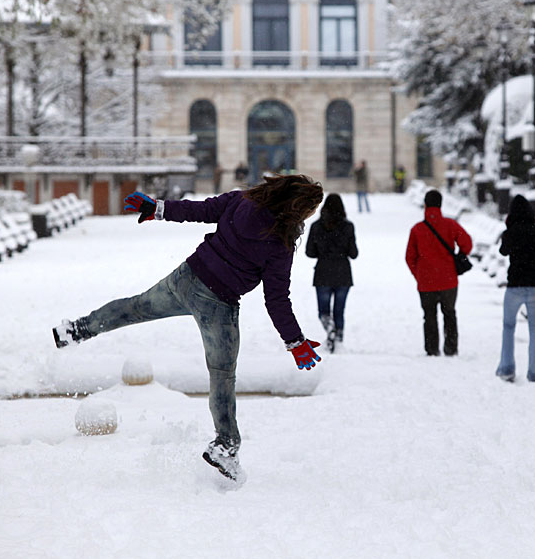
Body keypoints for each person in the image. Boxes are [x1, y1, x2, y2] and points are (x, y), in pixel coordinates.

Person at [51, 174, 325, 487]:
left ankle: (77, 329)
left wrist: (157, 208)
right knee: (222, 375)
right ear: (296, 209)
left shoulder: (240, 200)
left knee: (135, 307)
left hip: (187, 278)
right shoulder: (280, 244)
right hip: (218, 304)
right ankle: (225, 446)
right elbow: (276, 299)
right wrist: (295, 341)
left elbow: (201, 210)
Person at [496, 195, 535, 385]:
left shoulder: (510, 232)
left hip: (514, 287)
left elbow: (503, 251)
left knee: (508, 328)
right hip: (534, 288)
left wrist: (510, 233)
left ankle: (507, 369)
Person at [405, 189, 473, 357]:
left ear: (425, 205)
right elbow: (467, 243)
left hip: (426, 281)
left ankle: (432, 349)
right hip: (448, 279)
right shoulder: (450, 225)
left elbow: (409, 257)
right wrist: (460, 255)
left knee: (429, 315)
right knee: (449, 313)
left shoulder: (417, 229)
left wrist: (418, 273)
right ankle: (451, 348)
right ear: (441, 205)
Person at [305, 193, 358, 350]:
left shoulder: (316, 226)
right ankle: (339, 337)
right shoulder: (348, 226)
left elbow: (309, 252)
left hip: (323, 273)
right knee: (339, 310)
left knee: (324, 311)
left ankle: (329, 329)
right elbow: (354, 253)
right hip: (343, 273)